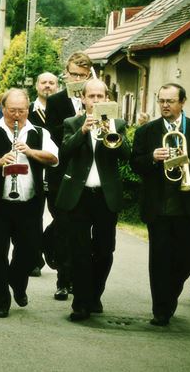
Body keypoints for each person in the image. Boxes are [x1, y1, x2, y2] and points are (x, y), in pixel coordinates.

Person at [0, 88, 58, 318]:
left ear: (28, 109)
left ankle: (18, 284)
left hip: (30, 204)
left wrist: (30, 152)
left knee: (29, 252)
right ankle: (0, 302)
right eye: (12, 111)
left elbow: (53, 158)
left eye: (21, 110)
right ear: (2, 108)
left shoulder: (40, 132)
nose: (17, 115)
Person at [131, 83, 190, 326]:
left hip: (187, 206)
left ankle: (171, 295)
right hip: (159, 207)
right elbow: (135, 163)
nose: (165, 105)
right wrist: (152, 159)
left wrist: (186, 161)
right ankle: (161, 309)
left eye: (170, 101)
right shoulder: (147, 131)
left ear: (182, 102)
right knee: (159, 260)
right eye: (162, 101)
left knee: (185, 260)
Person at [56, 79, 131, 321]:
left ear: (106, 99)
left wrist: (109, 130)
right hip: (78, 197)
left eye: (100, 96)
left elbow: (126, 155)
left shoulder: (117, 123)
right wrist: (83, 131)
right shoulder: (72, 123)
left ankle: (95, 294)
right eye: (92, 96)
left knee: (104, 250)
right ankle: (80, 303)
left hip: (105, 197)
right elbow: (64, 152)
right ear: (83, 99)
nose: (96, 101)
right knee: (78, 251)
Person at [44, 52, 93, 300]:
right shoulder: (55, 102)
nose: (77, 80)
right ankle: (63, 280)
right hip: (61, 176)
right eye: (73, 74)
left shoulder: (97, 99)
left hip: (87, 176)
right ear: (66, 74)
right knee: (64, 229)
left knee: (80, 233)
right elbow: (51, 136)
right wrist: (75, 125)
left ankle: (78, 278)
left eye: (82, 76)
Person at [27, 71, 59, 276]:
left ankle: (47, 242)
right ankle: (34, 258)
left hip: (57, 167)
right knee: (33, 216)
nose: (47, 86)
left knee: (60, 215)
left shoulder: (65, 109)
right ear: (37, 86)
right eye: (43, 82)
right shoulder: (27, 110)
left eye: (51, 83)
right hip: (33, 166)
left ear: (57, 86)